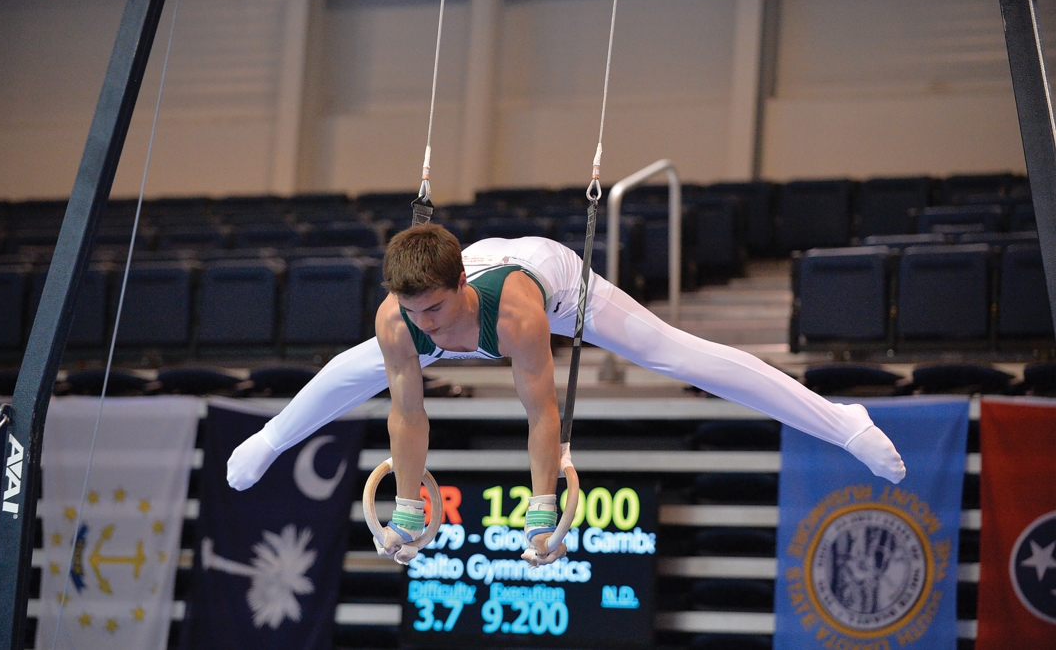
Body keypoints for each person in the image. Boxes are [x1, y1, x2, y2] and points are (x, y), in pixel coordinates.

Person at [227, 225, 905, 566]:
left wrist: (543, 506)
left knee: (676, 353)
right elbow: (407, 414)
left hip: (555, 283)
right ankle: (267, 438)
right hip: (482, 277)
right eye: (413, 311)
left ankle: (843, 422)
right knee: (353, 369)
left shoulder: (518, 314)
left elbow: (541, 413)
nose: (424, 323)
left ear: (457, 285)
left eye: (432, 309)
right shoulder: (402, 318)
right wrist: (406, 508)